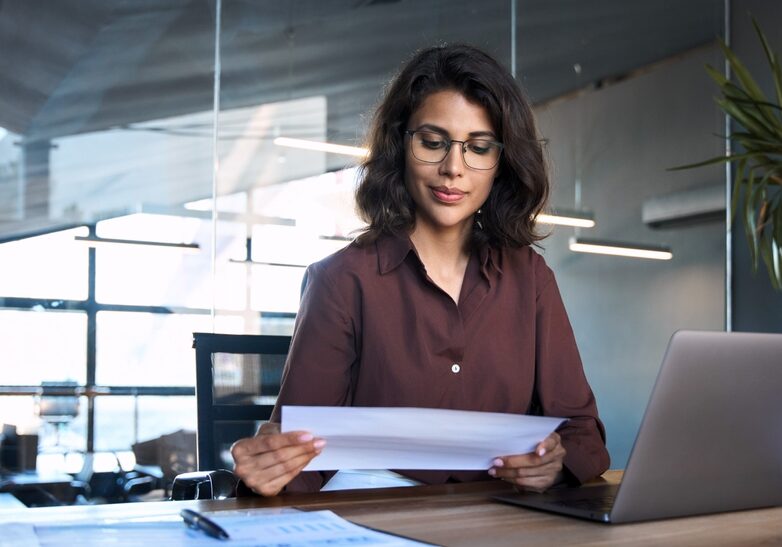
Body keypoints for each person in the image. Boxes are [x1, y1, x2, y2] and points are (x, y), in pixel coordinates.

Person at [231, 44, 610, 496]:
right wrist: (269, 469)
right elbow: (299, 458)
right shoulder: (341, 281)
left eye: (479, 147)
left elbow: (583, 434)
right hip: (376, 511)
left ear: (500, 163)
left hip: (503, 518)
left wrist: (555, 465)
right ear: (400, 146)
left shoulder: (531, 279)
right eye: (433, 142)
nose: (453, 168)